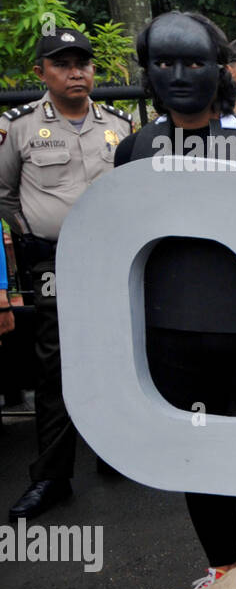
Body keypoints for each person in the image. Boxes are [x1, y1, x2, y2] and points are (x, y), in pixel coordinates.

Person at [113, 12, 236, 588]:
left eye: (193, 62)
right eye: (164, 62)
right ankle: (223, 567)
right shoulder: (134, 151)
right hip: (174, 339)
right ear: (147, 70)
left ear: (217, 68)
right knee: (198, 456)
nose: (179, 74)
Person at [0, 28, 133, 522]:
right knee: (55, 363)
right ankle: (52, 476)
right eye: (63, 63)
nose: (77, 71)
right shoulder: (18, 128)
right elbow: (4, 192)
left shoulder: (117, 124)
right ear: (41, 73)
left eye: (83, 63)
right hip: (53, 260)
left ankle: (116, 452)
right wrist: (31, 232)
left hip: (113, 257)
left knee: (116, 354)